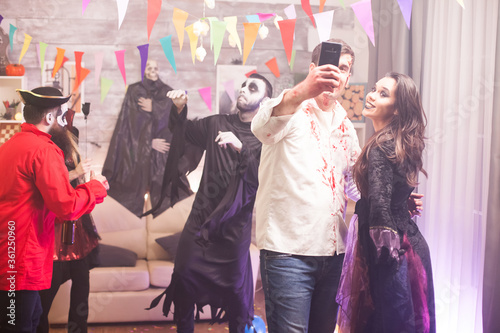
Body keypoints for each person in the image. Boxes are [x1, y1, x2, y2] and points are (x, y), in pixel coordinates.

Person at [251, 39, 423, 332]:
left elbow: (355, 185)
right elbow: (261, 129)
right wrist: (303, 90)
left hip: (335, 256)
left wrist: (395, 199)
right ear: (314, 68)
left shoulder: (344, 123)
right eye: (332, 66)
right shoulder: (289, 107)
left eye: (345, 69)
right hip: (287, 254)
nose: (338, 74)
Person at [146, 73, 273, 333]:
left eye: (252, 87)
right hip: (199, 225)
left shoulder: (266, 139)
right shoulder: (217, 123)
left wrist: (242, 148)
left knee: (236, 298)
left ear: (266, 100)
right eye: (242, 84)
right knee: (183, 281)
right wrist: (180, 109)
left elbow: (264, 176)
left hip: (234, 232)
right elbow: (185, 133)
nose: (243, 89)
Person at [0, 87, 108, 333]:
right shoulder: (44, 149)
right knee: (19, 324)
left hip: (10, 251)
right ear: (49, 118)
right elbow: (66, 206)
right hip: (23, 258)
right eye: (60, 117)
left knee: (32, 316)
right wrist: (96, 187)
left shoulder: (8, 146)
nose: (62, 122)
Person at [336, 73, 435, 333]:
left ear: (397, 108)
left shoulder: (380, 146)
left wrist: (382, 264)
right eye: (373, 89)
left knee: (385, 322)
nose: (370, 95)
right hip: (408, 247)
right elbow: (390, 196)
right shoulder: (400, 142)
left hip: (390, 252)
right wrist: (400, 205)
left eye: (382, 93)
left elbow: (380, 208)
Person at [37, 110, 101, 333]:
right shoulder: (43, 148)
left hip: (79, 233)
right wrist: (75, 172)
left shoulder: (70, 140)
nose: (63, 121)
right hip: (54, 238)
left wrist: (88, 179)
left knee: (81, 292)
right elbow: (50, 186)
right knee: (45, 297)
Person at [102, 59, 191, 217]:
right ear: (144, 70)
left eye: (155, 67)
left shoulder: (167, 92)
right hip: (138, 157)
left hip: (160, 159)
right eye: (149, 67)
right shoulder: (134, 91)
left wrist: (155, 107)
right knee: (128, 195)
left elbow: (175, 124)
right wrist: (148, 143)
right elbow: (127, 126)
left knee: (167, 197)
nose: (152, 70)